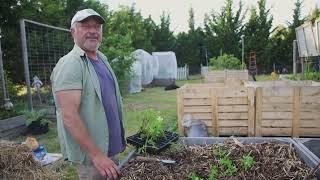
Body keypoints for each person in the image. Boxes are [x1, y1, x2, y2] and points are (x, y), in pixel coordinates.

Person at [50, 9, 125, 180]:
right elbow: (69, 116)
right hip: (93, 158)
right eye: (85, 26)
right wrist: (97, 156)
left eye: (97, 26)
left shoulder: (102, 59)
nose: (93, 31)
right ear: (73, 32)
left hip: (109, 150)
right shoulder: (71, 64)